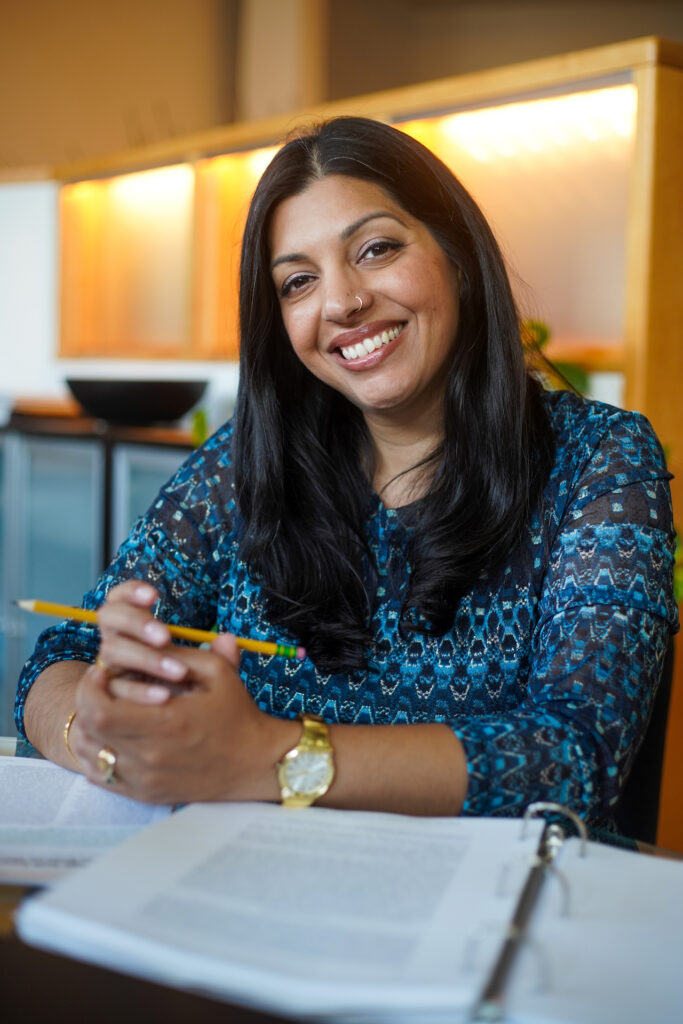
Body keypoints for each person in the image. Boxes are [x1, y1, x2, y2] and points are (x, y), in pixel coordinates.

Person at [15, 116, 678, 825]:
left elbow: (576, 754)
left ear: (455, 253)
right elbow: (59, 655)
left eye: (375, 248)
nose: (340, 302)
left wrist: (266, 756)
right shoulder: (246, 462)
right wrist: (103, 734)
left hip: (475, 911)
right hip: (245, 885)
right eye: (297, 282)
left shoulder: (597, 460)